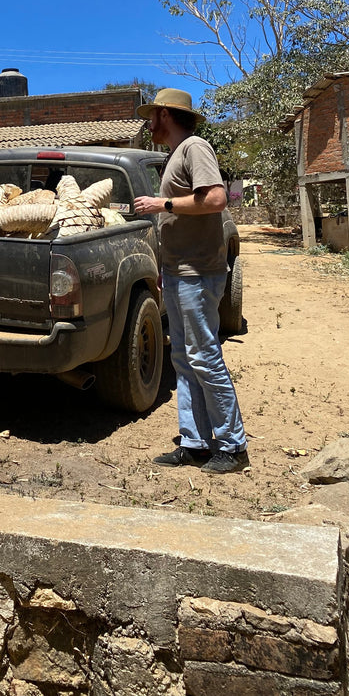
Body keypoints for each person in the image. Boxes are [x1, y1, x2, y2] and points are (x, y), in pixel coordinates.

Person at [133, 89, 248, 474]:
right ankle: (195, 442)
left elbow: (216, 199)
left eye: (152, 116)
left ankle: (233, 446)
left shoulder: (195, 148)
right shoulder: (175, 155)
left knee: (204, 357)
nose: (149, 123)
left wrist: (161, 203)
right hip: (179, 273)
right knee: (183, 358)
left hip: (198, 274)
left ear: (165, 115)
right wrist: (165, 269)